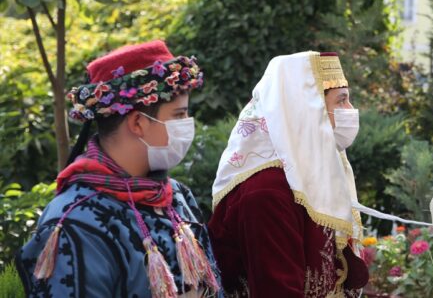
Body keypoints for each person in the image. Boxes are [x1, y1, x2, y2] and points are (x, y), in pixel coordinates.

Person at [15, 40, 222, 297]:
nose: (188, 125)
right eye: (179, 115)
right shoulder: (75, 221)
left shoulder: (176, 196)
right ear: (137, 123)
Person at [209, 52, 369, 297]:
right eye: (342, 100)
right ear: (306, 109)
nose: (350, 110)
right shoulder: (265, 192)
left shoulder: (307, 172)